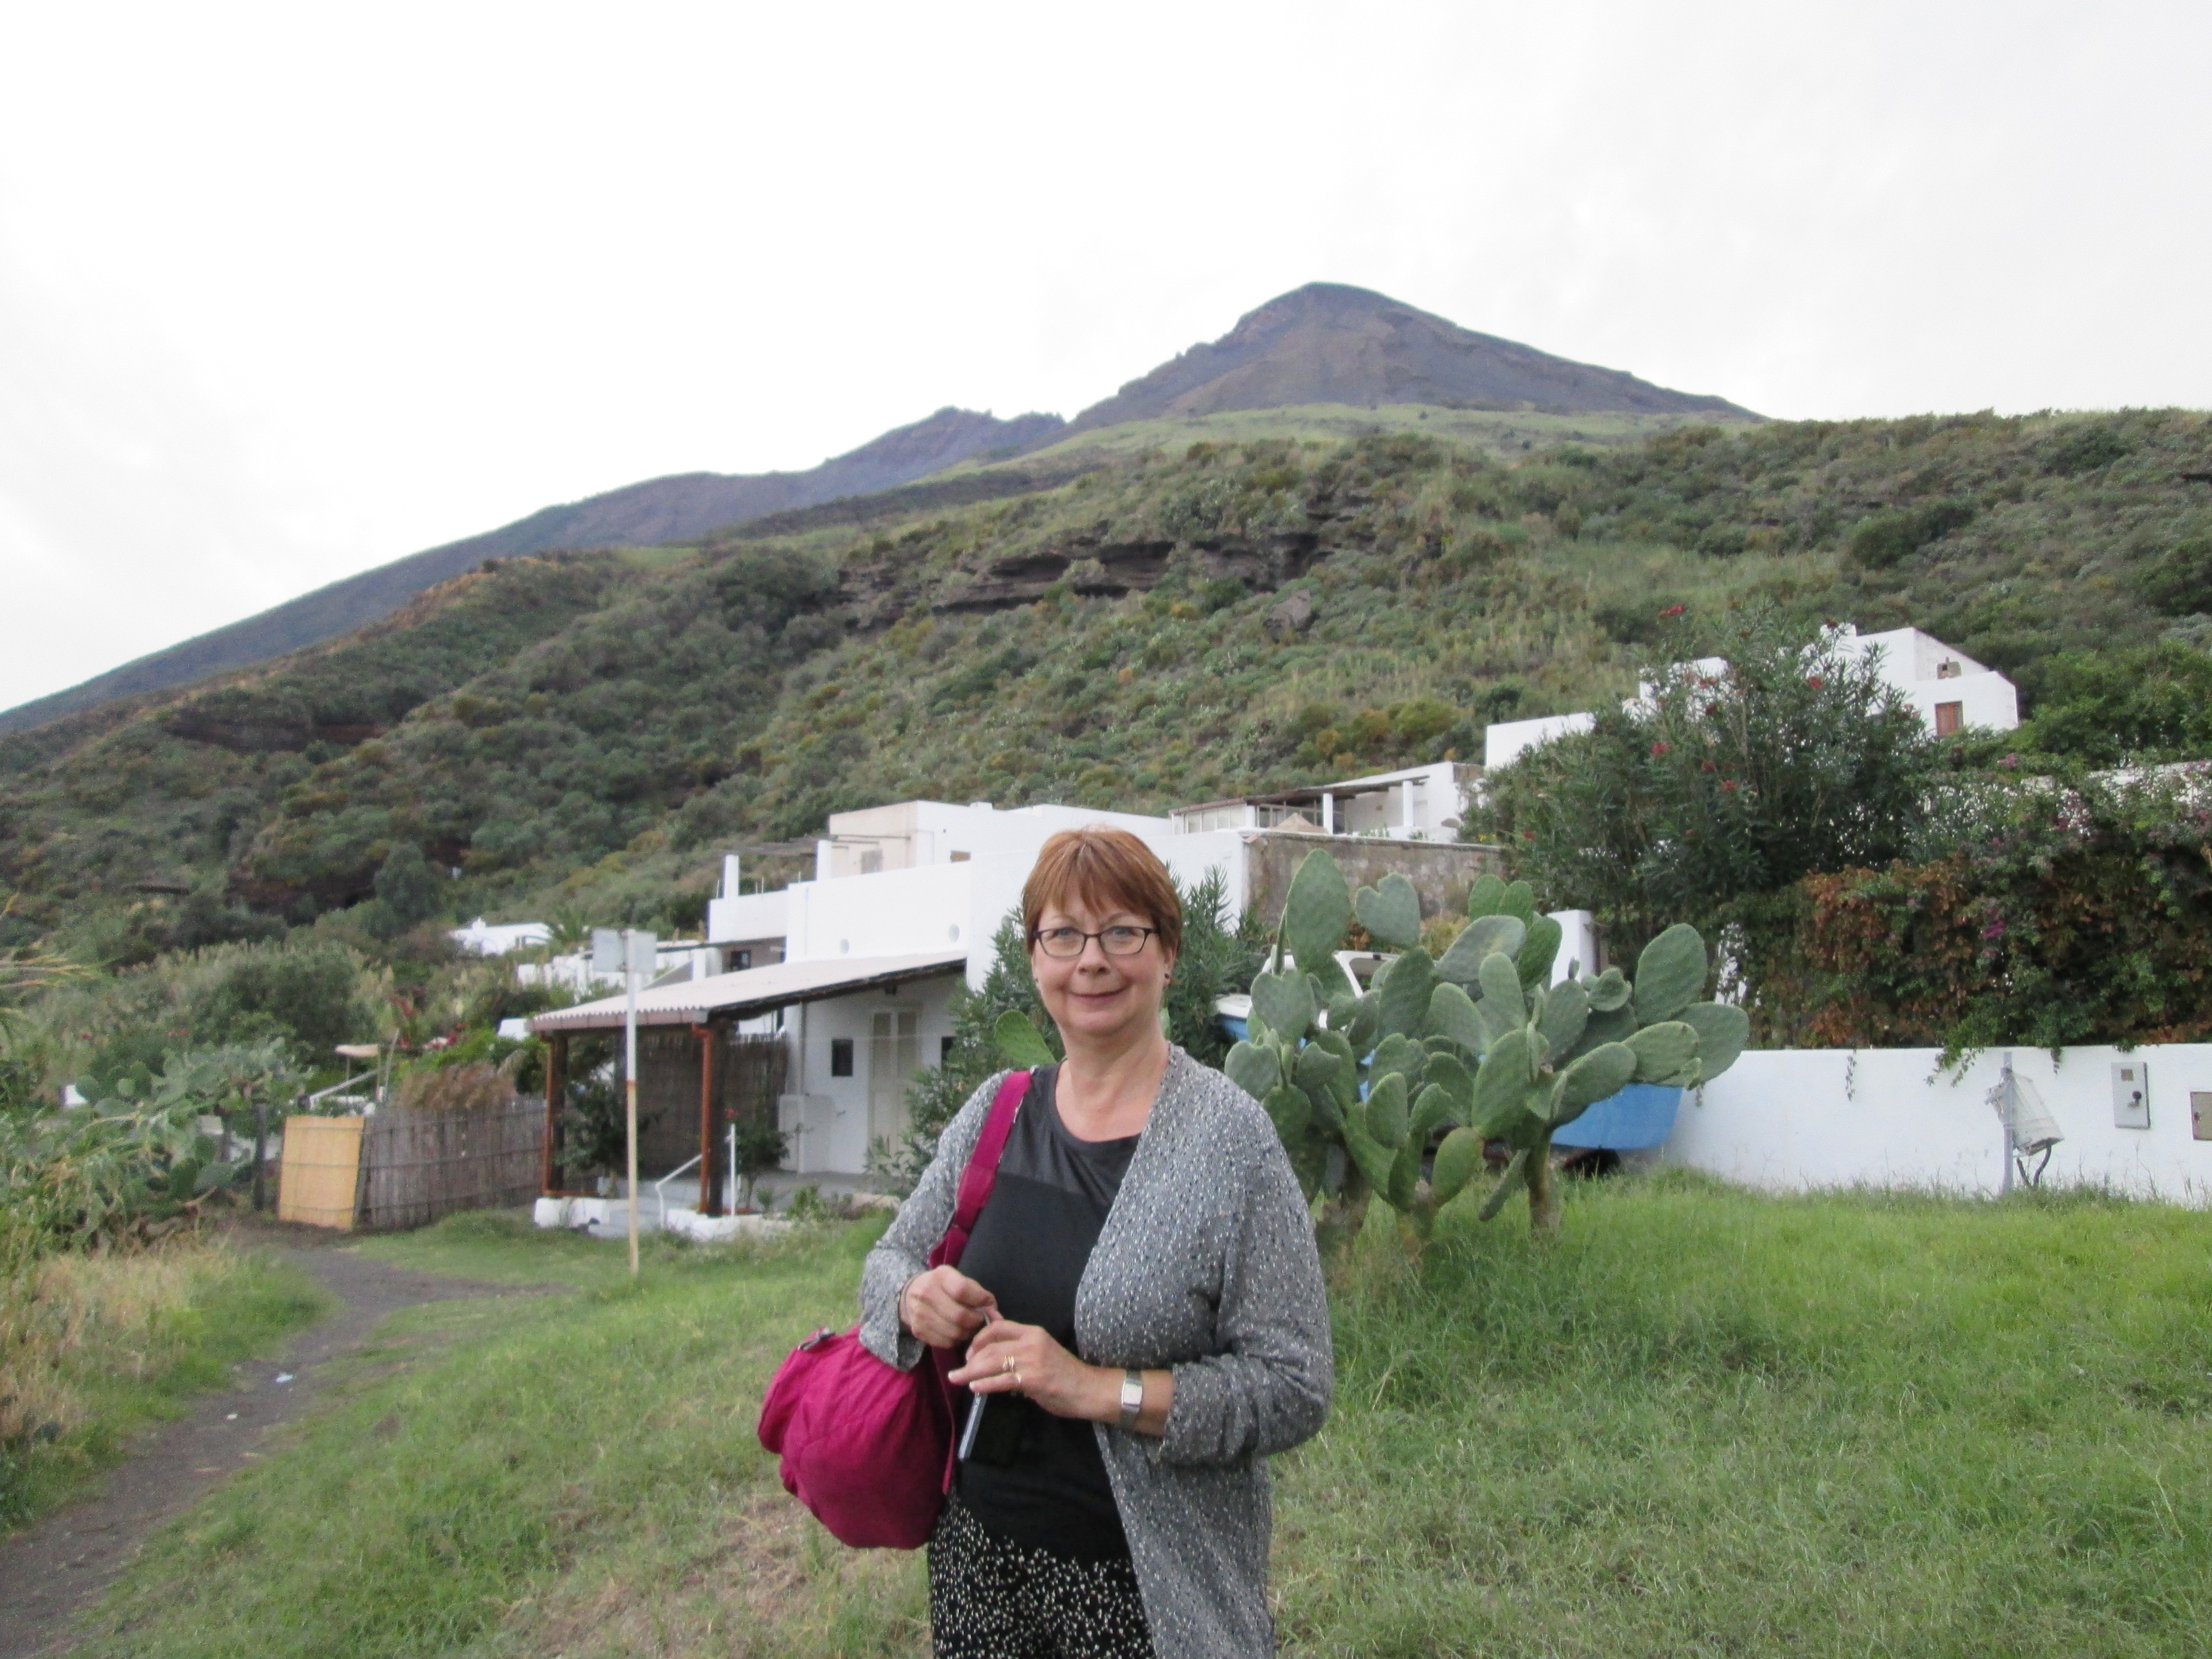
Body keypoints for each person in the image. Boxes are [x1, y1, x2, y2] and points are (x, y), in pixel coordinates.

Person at [860, 826, 1333, 1659]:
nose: (1092, 962)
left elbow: (1293, 1386)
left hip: (1148, 1591)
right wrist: (912, 1297)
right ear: (1034, 957)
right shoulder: (998, 1111)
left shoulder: (1231, 1141)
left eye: (1123, 933)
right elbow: (888, 1261)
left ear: (1169, 952)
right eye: (1064, 935)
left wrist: (1095, 1389)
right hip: (977, 1564)